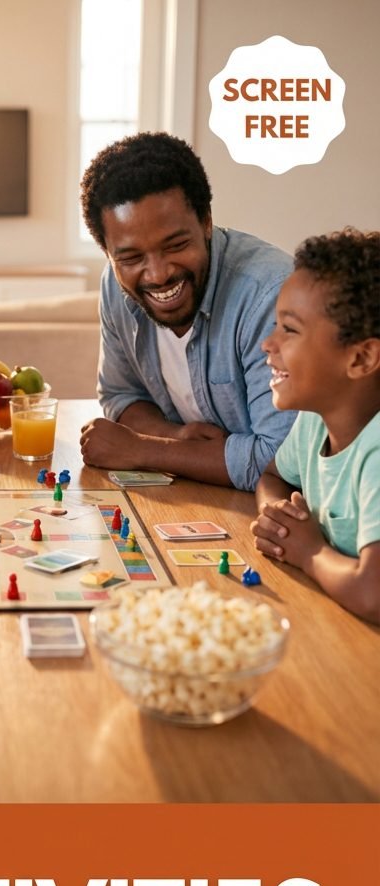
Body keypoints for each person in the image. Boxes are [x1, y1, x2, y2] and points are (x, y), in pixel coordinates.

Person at [79, 131, 295, 489]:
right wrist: (174, 436)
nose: (159, 274)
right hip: (197, 496)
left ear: (206, 221)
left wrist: (144, 449)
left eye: (176, 245)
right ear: (107, 252)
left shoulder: (270, 294)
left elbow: (282, 459)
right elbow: (121, 395)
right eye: (131, 257)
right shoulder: (114, 286)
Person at [251, 230, 380, 624]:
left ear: (361, 357)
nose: (268, 344)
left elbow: (373, 593)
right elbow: (273, 475)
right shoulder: (314, 421)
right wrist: (276, 517)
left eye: (289, 329)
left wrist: (309, 552)